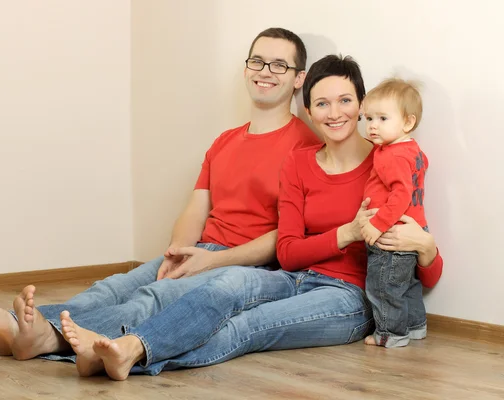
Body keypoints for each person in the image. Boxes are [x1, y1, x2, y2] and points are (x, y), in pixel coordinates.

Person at [57, 55, 444, 380]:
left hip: (346, 296)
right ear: (307, 110)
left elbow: (411, 268)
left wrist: (427, 248)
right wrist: (345, 233)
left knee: (246, 327)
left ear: (361, 105)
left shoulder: (388, 165)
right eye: (322, 104)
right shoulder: (298, 163)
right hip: (292, 276)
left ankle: (132, 352)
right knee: (224, 288)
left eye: (345, 101)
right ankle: (103, 347)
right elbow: (289, 253)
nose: (335, 113)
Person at [0, 27, 320, 366]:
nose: (265, 71)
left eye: (279, 65)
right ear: (246, 69)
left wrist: (207, 264)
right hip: (201, 251)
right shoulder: (225, 140)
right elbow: (197, 209)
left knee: (153, 299)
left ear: (298, 78)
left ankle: (36, 335)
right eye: (257, 61)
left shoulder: (305, 146)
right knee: (113, 287)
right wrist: (177, 253)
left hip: (243, 265)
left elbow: (287, 236)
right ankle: (19, 330)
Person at [360, 78, 430, 348]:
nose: (372, 126)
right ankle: (415, 326)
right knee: (407, 285)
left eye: (382, 118)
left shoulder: (390, 156)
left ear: (407, 123)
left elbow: (400, 195)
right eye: (368, 118)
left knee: (384, 287)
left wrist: (377, 224)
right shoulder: (412, 151)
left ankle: (390, 334)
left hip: (391, 232)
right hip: (413, 229)